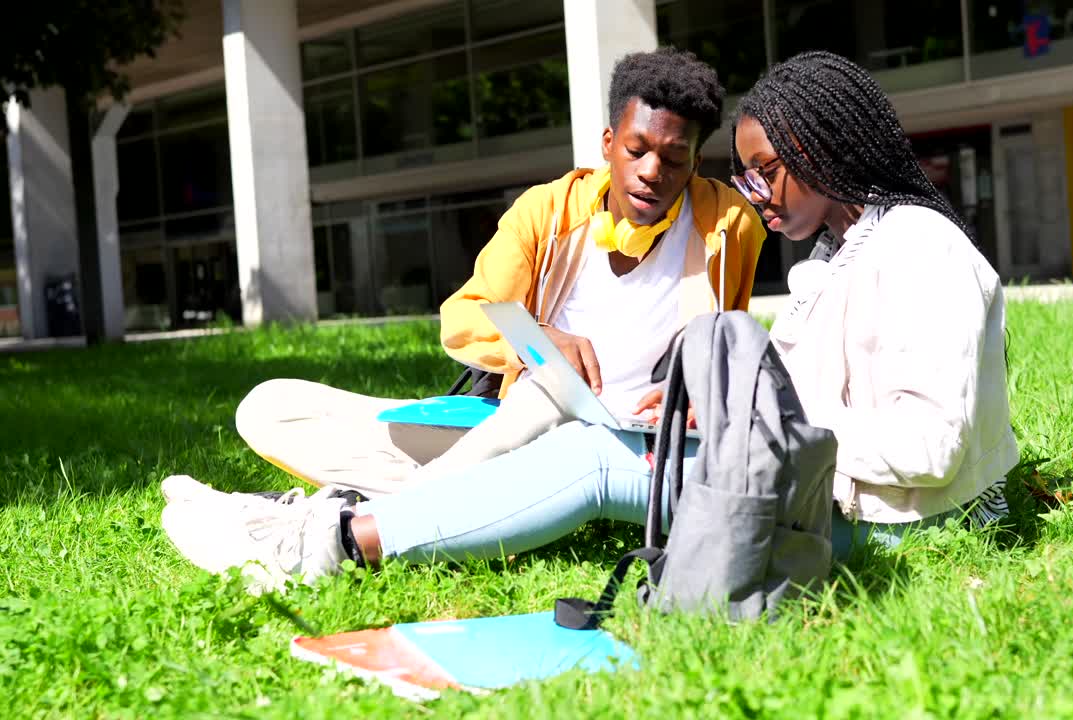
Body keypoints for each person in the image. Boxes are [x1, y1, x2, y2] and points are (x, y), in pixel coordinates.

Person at [161, 52, 1018, 593]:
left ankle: (330, 540)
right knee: (565, 426)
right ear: (606, 142)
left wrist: (738, 428)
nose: (755, 193)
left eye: (766, 173)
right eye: (749, 174)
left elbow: (931, 445)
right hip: (806, 480)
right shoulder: (840, 253)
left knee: (598, 458)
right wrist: (708, 417)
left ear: (827, 155)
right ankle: (335, 514)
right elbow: (468, 318)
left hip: (892, 515)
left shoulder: (917, 249)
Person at [227, 47, 765, 499]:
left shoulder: (729, 226)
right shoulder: (548, 210)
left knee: (543, 396)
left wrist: (700, 389)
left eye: (674, 159)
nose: (652, 172)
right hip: (517, 430)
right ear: (608, 144)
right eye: (636, 149)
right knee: (268, 407)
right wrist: (540, 345)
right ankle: (464, 492)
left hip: (633, 442)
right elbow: (461, 319)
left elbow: (732, 349)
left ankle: (396, 508)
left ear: (696, 163)